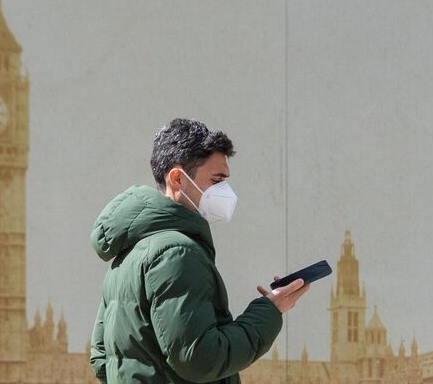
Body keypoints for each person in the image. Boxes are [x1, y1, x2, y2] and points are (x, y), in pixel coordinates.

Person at [89, 118, 309, 384]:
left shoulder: (129, 252)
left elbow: (101, 357)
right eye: (216, 180)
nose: (225, 192)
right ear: (178, 179)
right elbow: (200, 359)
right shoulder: (177, 253)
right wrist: (268, 312)